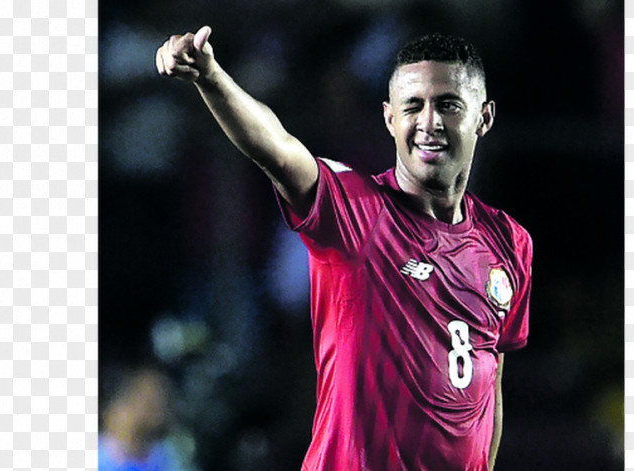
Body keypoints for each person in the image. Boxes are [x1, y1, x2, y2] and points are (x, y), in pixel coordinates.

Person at [155, 25, 532, 471]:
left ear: (483, 117)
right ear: (390, 118)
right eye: (413, 106)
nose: (429, 121)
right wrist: (211, 77)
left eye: (448, 105)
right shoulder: (355, 211)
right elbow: (276, 150)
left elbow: (491, 382)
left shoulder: (509, 241)